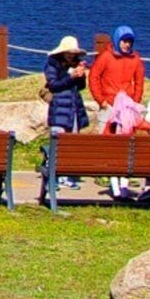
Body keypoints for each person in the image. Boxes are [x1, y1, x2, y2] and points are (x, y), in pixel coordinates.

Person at [41, 34, 89, 191]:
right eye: (68, 52)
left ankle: (65, 176)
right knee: (57, 144)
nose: (71, 55)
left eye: (73, 53)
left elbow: (80, 87)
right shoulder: (52, 65)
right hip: (59, 109)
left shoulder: (76, 64)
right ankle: (52, 177)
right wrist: (70, 76)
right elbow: (54, 85)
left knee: (70, 145)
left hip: (73, 109)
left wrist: (81, 76)